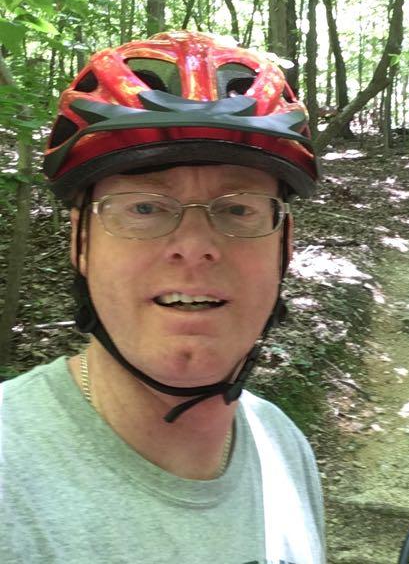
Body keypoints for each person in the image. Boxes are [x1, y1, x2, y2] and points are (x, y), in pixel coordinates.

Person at [0, 31, 325, 564]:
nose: (195, 249)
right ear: (80, 243)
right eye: (145, 207)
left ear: (284, 247)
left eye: (238, 208)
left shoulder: (284, 446)